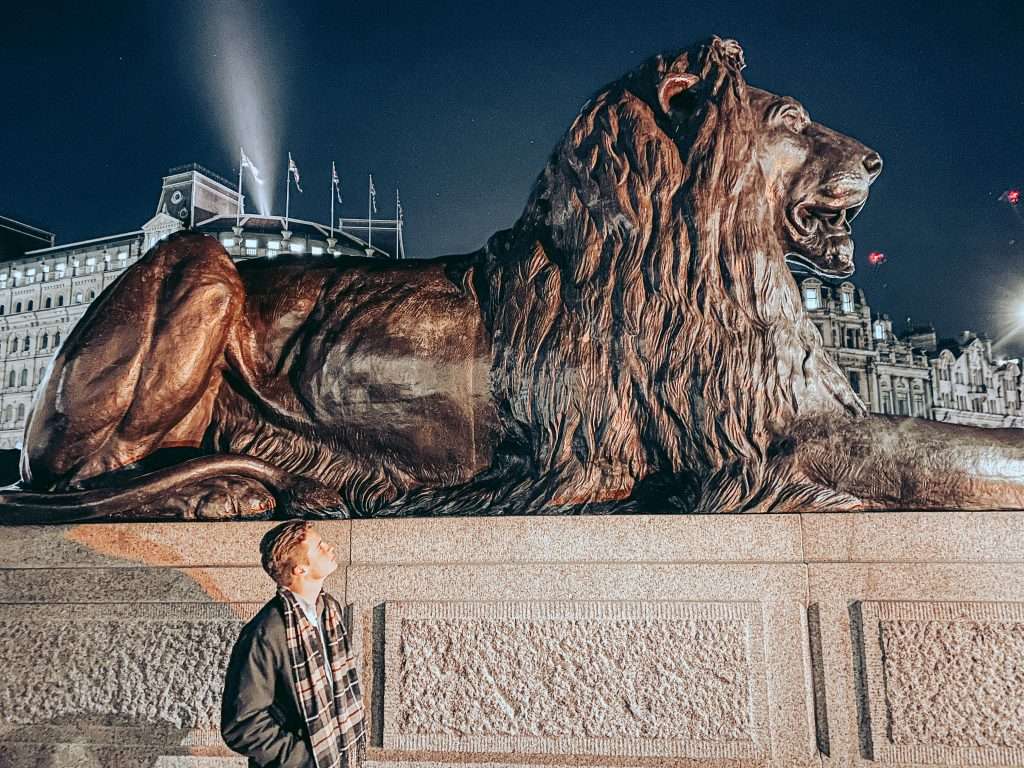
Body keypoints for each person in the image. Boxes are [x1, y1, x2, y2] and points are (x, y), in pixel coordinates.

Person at [222, 520, 365, 768]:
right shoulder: (266, 632)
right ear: (300, 569)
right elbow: (242, 723)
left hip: (341, 757)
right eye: (320, 546)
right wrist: (303, 760)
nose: (329, 548)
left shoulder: (329, 610)